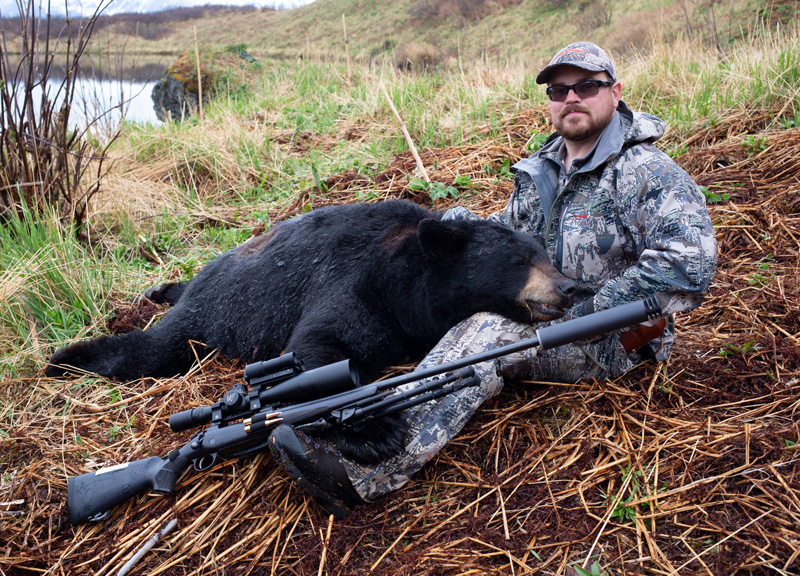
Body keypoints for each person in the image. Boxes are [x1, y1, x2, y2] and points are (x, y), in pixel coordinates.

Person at [268, 41, 718, 518]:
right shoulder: (543, 171)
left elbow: (690, 262)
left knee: (485, 333)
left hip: (615, 338)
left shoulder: (645, 173)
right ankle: (337, 416)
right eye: (559, 89)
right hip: (546, 312)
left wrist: (590, 311)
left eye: (587, 86)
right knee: (470, 310)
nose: (571, 98)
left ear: (615, 91)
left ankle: (363, 471)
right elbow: (503, 240)